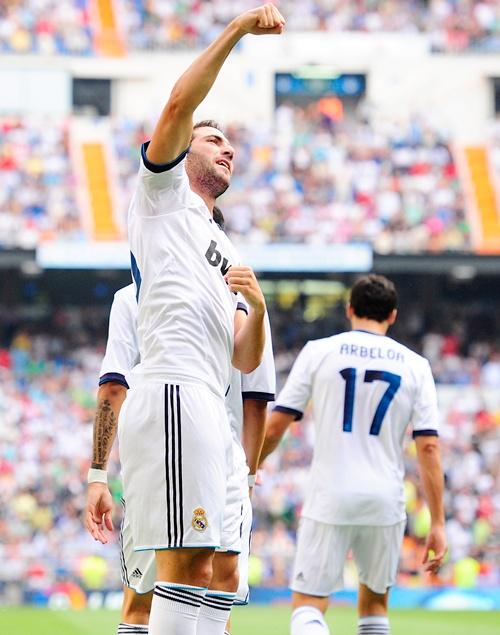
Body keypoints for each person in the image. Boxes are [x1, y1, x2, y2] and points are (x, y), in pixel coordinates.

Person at [86, 8, 284, 634]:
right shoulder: (161, 197)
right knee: (179, 566)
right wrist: (235, 32)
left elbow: (245, 359)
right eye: (212, 137)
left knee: (220, 569)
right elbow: (177, 104)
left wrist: (256, 310)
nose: (227, 147)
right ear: (180, 151)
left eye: (230, 141)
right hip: (172, 391)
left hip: (212, 407)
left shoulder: (220, 247)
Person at [260, 274, 447, 635]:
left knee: (308, 606)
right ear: (392, 316)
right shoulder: (416, 365)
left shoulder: (319, 351)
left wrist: (250, 471)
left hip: (330, 493)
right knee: (375, 607)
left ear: (349, 309)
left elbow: (275, 426)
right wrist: (437, 521)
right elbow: (428, 446)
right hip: (384, 499)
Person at [85, 281, 276, 634]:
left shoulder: (132, 296)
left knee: (142, 599)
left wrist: (98, 474)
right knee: (218, 589)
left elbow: (113, 386)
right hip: (224, 459)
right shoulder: (243, 301)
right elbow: (257, 398)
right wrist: (247, 476)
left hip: (157, 451)